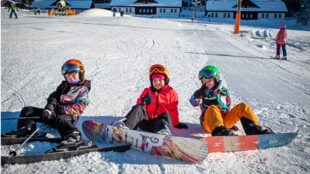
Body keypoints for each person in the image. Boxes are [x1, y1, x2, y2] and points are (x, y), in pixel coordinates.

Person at [3, 59, 91, 150]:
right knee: (28, 110)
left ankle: (75, 138)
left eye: (74, 75)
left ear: (81, 74)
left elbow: (81, 107)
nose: (71, 78)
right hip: (54, 113)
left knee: (60, 119)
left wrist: (62, 109)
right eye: (68, 76)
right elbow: (54, 97)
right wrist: (49, 108)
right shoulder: (64, 86)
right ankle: (26, 129)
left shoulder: (83, 89)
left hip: (68, 117)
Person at [190, 65, 274, 136]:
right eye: (204, 81)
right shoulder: (202, 92)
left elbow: (227, 108)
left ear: (215, 79)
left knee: (243, 106)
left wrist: (230, 125)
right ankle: (219, 132)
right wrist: (198, 94)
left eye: (209, 81)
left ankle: (255, 130)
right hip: (209, 124)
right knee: (212, 107)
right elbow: (193, 103)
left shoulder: (223, 92)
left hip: (223, 123)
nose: (206, 83)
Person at [112, 64, 188, 135]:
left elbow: (173, 110)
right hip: (144, 122)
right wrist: (143, 101)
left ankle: (164, 133)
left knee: (166, 115)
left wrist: (176, 123)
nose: (157, 82)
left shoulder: (171, 93)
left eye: (160, 80)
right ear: (151, 82)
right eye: (155, 80)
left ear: (165, 81)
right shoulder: (147, 91)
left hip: (158, 125)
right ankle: (124, 127)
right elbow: (138, 107)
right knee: (139, 107)